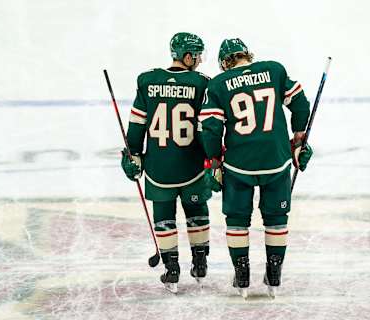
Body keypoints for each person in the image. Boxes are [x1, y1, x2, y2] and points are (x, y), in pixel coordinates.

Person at [199, 38, 313, 297]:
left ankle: (242, 273)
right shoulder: (274, 70)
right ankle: (274, 272)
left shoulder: (218, 84)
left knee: (237, 220)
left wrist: (214, 161)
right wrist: (297, 139)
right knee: (276, 219)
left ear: (226, 62)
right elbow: (300, 104)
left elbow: (212, 129)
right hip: (277, 159)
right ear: (247, 54)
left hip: (240, 163)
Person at [121, 32, 212, 293]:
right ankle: (200, 261)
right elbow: (208, 128)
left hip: (158, 167)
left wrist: (134, 154)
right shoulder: (202, 83)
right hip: (191, 165)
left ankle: (171, 268)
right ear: (187, 56)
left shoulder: (148, 81)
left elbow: (137, 125)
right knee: (196, 210)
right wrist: (213, 159)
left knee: (163, 215)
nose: (198, 60)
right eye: (196, 55)